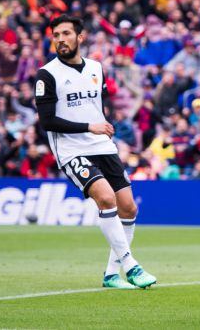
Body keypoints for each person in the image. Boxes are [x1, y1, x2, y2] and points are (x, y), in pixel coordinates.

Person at [35, 15, 157, 290]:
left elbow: (96, 106)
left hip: (102, 146)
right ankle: (131, 266)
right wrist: (90, 125)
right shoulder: (47, 74)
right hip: (71, 150)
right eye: (56, 35)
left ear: (80, 37)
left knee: (128, 207)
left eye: (66, 33)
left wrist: (103, 125)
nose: (60, 39)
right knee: (105, 198)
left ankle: (111, 274)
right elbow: (47, 121)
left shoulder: (96, 68)